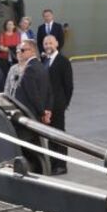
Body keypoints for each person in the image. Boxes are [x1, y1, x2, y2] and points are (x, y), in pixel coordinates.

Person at [41, 35, 73, 174]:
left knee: (59, 135)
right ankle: (53, 163)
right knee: (50, 135)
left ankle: (61, 165)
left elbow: (69, 85)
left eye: (50, 43)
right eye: (46, 43)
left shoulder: (63, 61)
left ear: (57, 44)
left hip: (58, 105)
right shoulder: (45, 60)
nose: (48, 46)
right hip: (47, 105)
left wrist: (64, 103)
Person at [13, 39, 50, 122]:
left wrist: (42, 113)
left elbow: (33, 95)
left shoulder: (29, 69)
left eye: (22, 50)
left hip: (28, 115)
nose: (20, 52)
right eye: (19, 50)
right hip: (36, 114)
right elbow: (49, 92)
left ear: (33, 51)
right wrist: (46, 110)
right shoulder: (41, 66)